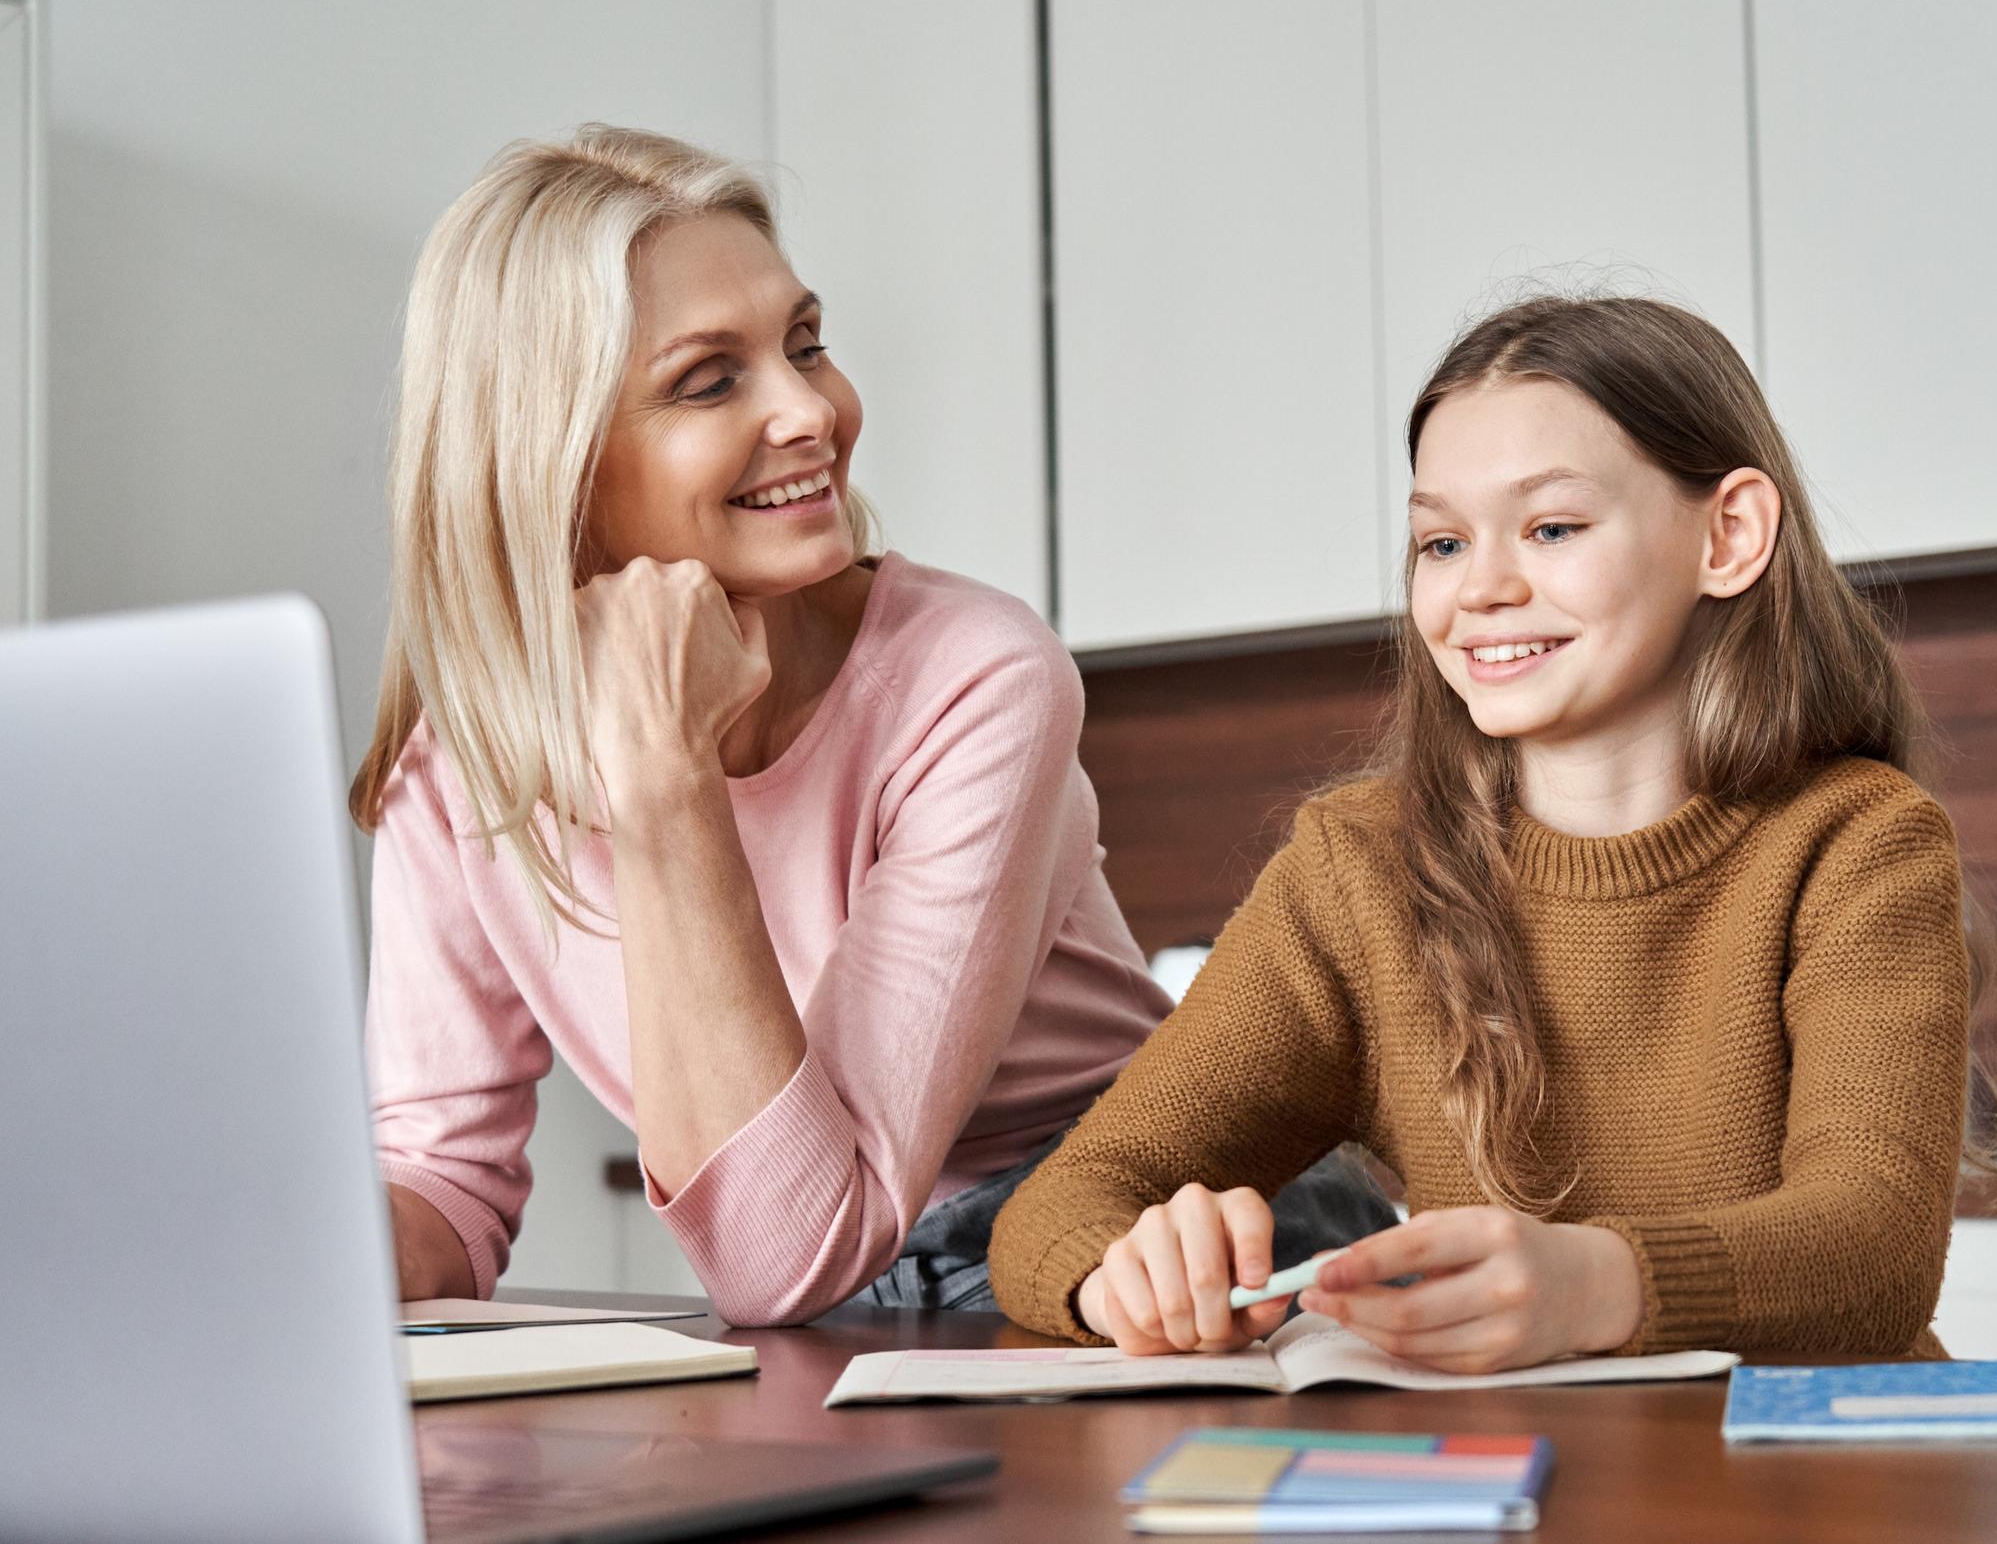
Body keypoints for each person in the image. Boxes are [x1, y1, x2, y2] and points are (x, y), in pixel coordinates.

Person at [354, 126, 1389, 1326]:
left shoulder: (972, 677)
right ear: (552, 463)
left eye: (806, 344)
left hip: (1150, 1240)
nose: (812, 410)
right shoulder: (453, 768)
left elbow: (786, 1250)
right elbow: (444, 1187)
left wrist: (663, 778)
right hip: (857, 1297)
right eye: (710, 378)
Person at [991, 294, 1989, 1370]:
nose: (1482, 588)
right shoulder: (1357, 868)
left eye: (1552, 527)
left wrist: (1600, 1281)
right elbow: (1062, 1203)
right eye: (1441, 540)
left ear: (1728, 534)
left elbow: (1872, 1252)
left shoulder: (1857, 843)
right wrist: (1123, 1275)